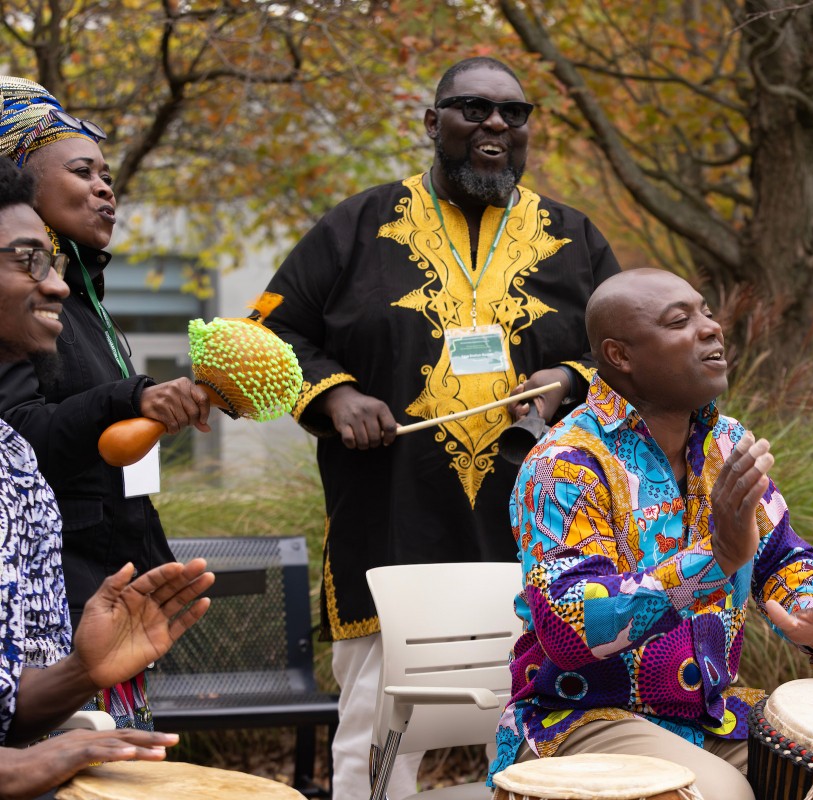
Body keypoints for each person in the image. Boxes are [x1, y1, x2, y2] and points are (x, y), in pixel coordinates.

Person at [261, 56, 621, 797]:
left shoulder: (574, 237)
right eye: (472, 108)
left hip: (541, 531)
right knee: (378, 732)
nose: (495, 125)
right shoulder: (356, 227)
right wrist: (334, 397)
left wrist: (571, 379)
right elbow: (266, 337)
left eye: (512, 114)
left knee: (539, 727)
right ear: (433, 123)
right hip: (392, 522)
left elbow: (625, 350)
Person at [490, 269, 813, 800]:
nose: (710, 329)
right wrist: (716, 559)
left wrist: (812, 617)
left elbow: (778, 555)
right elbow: (571, 628)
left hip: (710, 714)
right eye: (680, 321)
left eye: (705, 312)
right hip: (579, 718)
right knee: (721, 794)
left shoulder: (727, 442)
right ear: (620, 355)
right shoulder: (563, 465)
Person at [0, 77, 212, 731]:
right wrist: (131, 396)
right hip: (54, 602)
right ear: (16, 177)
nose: (105, 188)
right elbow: (18, 436)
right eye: (83, 170)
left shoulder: (82, 299)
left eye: (109, 176)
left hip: (105, 597)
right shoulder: (19, 313)